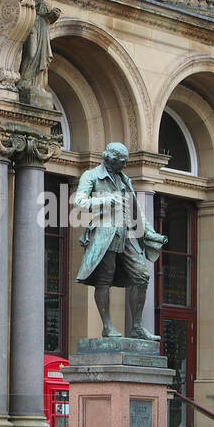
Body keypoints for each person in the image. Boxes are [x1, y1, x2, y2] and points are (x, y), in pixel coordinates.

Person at [73, 143, 167, 339]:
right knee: (104, 280)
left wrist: (150, 233)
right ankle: (107, 326)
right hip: (105, 234)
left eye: (125, 160)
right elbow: (79, 203)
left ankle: (137, 327)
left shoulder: (125, 180)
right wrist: (107, 200)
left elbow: (136, 210)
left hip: (128, 234)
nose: (125, 164)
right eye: (121, 160)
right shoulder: (90, 176)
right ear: (109, 158)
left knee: (142, 276)